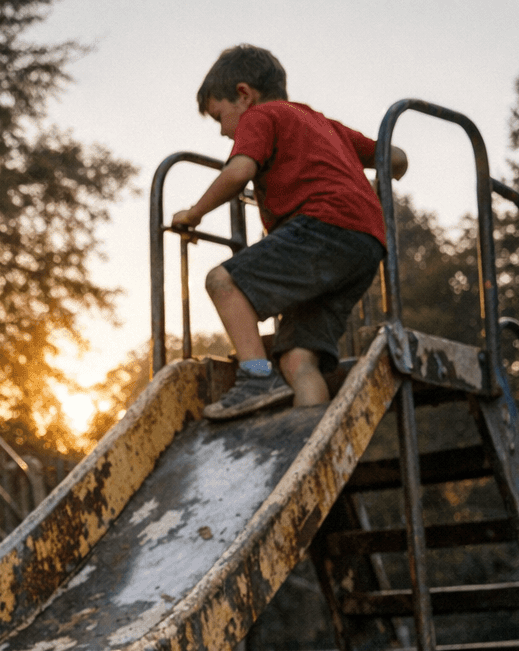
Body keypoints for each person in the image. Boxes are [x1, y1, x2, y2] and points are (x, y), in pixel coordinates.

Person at [171, 44, 408, 421]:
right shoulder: (324, 124)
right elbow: (395, 159)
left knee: (223, 282)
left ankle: (256, 376)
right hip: (366, 246)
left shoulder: (260, 116)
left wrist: (193, 214)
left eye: (219, 116)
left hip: (323, 227)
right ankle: (312, 442)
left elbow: (239, 172)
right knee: (299, 360)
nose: (223, 131)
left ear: (244, 94)